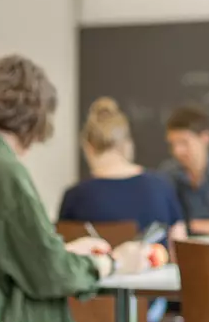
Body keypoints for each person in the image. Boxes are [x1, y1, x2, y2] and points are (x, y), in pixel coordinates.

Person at [0, 55, 149, 322]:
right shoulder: (3, 173)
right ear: (35, 117)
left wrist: (63, 251)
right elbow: (51, 274)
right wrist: (113, 262)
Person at [59, 97, 187, 244]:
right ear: (127, 144)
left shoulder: (74, 197)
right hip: (155, 266)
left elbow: (64, 254)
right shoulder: (161, 186)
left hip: (99, 267)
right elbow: (180, 247)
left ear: (88, 147)